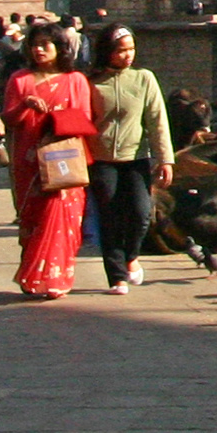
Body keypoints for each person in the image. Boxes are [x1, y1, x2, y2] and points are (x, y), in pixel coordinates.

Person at [1, 24, 94, 298]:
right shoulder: (20, 80)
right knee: (33, 218)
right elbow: (9, 120)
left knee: (62, 216)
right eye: (34, 44)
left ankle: (57, 278)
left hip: (64, 157)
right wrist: (25, 105)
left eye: (46, 44)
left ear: (60, 48)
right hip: (29, 160)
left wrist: (57, 122)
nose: (39, 50)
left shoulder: (75, 80)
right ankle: (32, 276)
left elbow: (84, 118)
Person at [84, 24, 171, 294]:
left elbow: (157, 121)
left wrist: (165, 159)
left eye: (131, 49)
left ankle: (131, 255)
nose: (127, 55)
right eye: (121, 51)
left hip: (135, 157)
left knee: (140, 212)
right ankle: (117, 275)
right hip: (101, 159)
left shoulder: (144, 79)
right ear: (106, 52)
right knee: (109, 216)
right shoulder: (91, 82)